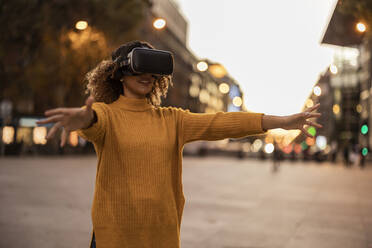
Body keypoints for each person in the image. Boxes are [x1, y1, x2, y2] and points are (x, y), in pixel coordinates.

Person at [36, 40, 322, 248]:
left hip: (162, 236)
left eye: (153, 70)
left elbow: (221, 123)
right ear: (120, 73)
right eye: (140, 68)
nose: (147, 76)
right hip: (115, 236)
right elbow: (93, 123)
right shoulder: (107, 115)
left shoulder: (172, 119)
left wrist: (280, 121)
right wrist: (83, 119)